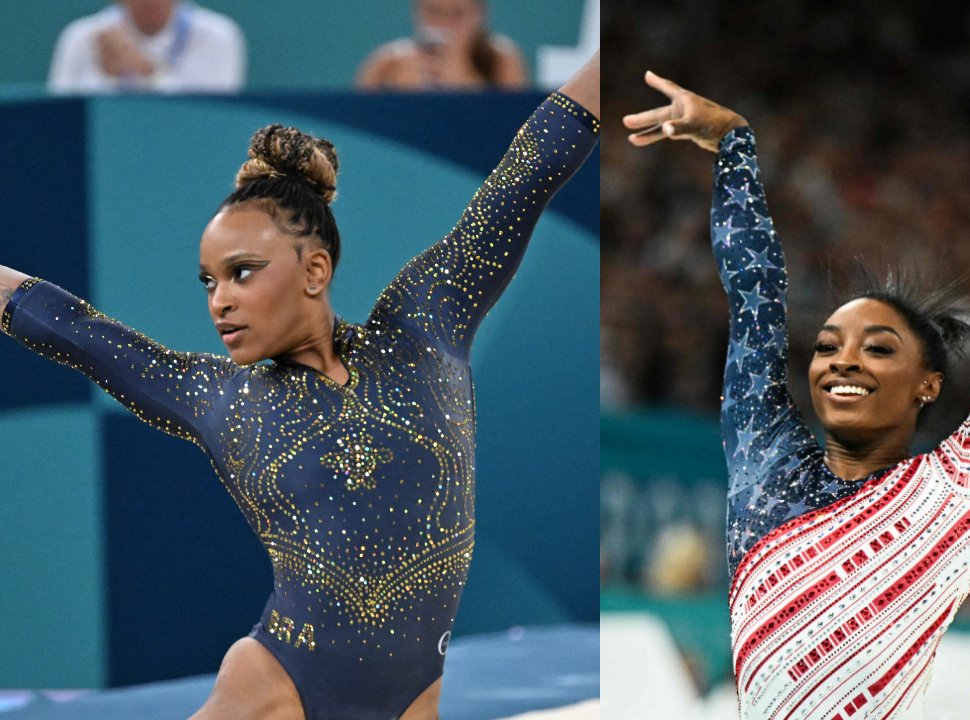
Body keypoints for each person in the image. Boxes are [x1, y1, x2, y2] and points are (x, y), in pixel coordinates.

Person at [4, 51, 597, 720]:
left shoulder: (425, 326)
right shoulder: (220, 398)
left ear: (314, 269)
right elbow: (77, 332)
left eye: (242, 272)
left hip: (411, 704)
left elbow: (528, 173)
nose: (219, 301)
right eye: (209, 281)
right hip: (277, 688)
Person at [623, 53, 970, 719]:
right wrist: (734, 145)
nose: (842, 361)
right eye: (827, 347)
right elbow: (754, 296)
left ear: (926, 386)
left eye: (878, 348)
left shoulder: (965, 488)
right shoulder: (763, 456)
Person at [49, 0, 245, 94]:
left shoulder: (220, 36)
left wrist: (149, 73)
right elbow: (62, 118)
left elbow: (212, 120)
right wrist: (106, 77)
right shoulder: (80, 37)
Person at [357, 0, 529, 91]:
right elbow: (360, 128)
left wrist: (466, 82)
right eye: (434, 11)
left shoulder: (502, 59)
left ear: (480, 14)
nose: (445, 24)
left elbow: (515, 128)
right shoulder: (387, 64)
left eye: (458, 13)